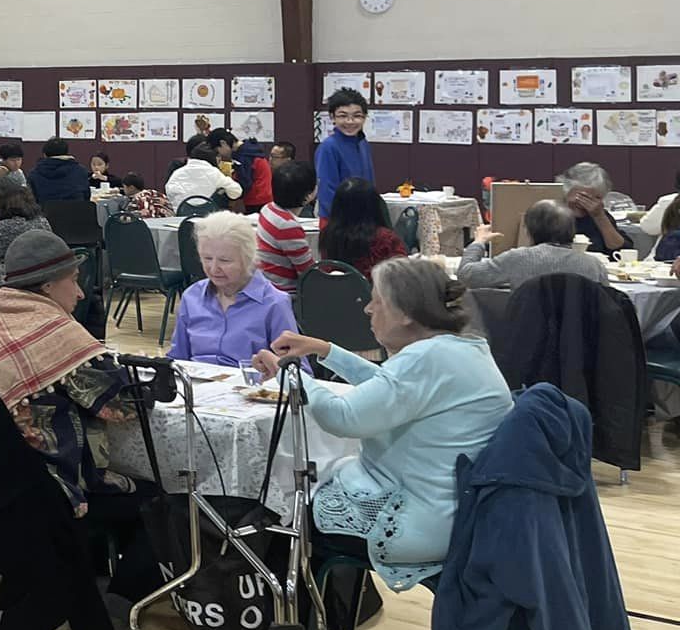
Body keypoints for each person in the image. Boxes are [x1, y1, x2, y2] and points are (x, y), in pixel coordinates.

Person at [256, 258, 513, 596]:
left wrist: (289, 373)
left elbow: (343, 418)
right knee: (301, 493)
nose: (367, 309)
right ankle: (328, 625)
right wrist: (326, 351)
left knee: (277, 512)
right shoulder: (461, 348)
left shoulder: (425, 359)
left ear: (405, 312)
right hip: (455, 510)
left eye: (377, 300)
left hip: (419, 521)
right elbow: (390, 386)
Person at [0, 229, 142, 517]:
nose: (81, 292)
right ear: (48, 286)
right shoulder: (57, 333)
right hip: (56, 486)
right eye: (74, 280)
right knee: (150, 494)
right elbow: (124, 405)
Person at [169, 212, 295, 366]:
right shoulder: (192, 297)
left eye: (225, 260)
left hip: (251, 387)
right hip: (195, 386)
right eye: (207, 258)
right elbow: (177, 358)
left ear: (247, 258)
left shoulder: (274, 303)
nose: (214, 268)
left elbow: (297, 372)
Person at [459, 199, 610, 289]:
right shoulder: (594, 265)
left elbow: (466, 276)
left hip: (528, 333)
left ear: (530, 230)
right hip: (579, 337)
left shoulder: (517, 258)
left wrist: (478, 242)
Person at [255, 159, 320, 294]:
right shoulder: (286, 226)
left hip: (265, 283)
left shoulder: (268, 209)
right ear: (308, 195)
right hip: (284, 293)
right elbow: (307, 272)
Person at [322, 177, 408, 278]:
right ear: (374, 205)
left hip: (335, 292)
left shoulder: (328, 234)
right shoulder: (385, 238)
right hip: (376, 292)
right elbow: (403, 273)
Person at [315, 88, 373, 218]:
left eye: (357, 116)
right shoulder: (329, 147)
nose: (350, 121)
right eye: (343, 116)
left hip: (363, 219)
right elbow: (327, 191)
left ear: (364, 117)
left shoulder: (363, 143)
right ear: (332, 117)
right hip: (338, 221)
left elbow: (369, 184)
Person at [559, 162, 630, 257]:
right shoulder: (552, 214)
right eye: (582, 197)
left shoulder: (600, 214)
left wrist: (599, 216)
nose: (586, 204)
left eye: (595, 198)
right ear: (566, 192)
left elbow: (621, 252)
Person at [209, 127, 271, 210]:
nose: (219, 155)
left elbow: (245, 183)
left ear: (223, 143)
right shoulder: (249, 150)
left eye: (217, 150)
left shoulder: (244, 156)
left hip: (257, 200)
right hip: (263, 197)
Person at [163, 144, 241, 209]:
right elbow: (237, 192)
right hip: (206, 217)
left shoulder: (178, 172)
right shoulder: (214, 172)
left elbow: (168, 191)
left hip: (179, 216)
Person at [27, 137, 92, 204]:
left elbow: (31, 202)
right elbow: (86, 199)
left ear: (45, 155)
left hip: (45, 213)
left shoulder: (34, 174)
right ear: (66, 153)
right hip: (76, 213)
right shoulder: (80, 171)